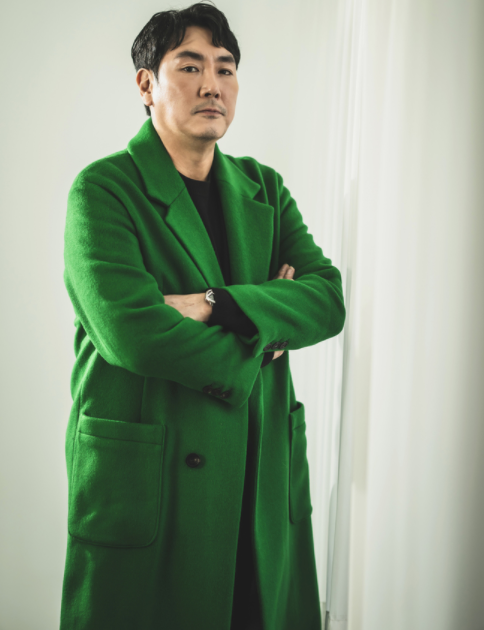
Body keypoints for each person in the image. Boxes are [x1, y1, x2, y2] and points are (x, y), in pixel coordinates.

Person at [59, 2, 346, 629]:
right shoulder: (103, 190)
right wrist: (264, 329)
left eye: (225, 68)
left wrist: (215, 305)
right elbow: (134, 333)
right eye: (189, 66)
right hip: (154, 485)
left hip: (259, 477)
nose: (212, 84)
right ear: (146, 84)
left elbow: (326, 299)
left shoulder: (264, 188)